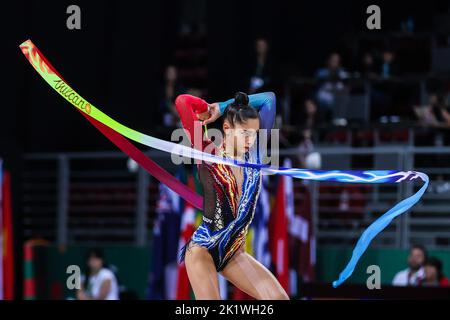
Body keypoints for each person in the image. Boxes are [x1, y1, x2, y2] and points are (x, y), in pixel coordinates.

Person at [175, 91, 289, 300]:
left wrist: (222, 105)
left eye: (254, 133)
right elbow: (182, 102)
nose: (250, 139)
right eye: (244, 133)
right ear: (226, 129)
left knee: (278, 299)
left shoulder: (256, 154)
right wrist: (208, 109)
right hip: (203, 249)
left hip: (234, 251)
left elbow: (269, 99)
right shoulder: (206, 152)